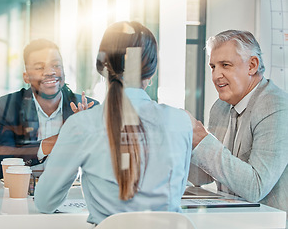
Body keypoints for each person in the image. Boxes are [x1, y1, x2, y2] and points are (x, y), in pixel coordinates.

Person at [34, 21, 192, 225]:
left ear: (102, 68)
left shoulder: (82, 125)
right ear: (151, 73)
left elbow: (45, 202)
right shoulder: (180, 122)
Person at [187, 30, 288, 214]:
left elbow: (256, 187)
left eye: (225, 65)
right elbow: (206, 174)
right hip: (231, 218)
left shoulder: (276, 106)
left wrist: (202, 141)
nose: (216, 75)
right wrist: (180, 146)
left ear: (252, 65)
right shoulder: (220, 107)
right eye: (213, 67)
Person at [0, 39, 99, 179]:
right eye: (40, 67)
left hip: (73, 192)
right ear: (26, 77)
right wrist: (57, 140)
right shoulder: (10, 105)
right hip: (22, 192)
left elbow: (102, 165)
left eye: (56, 65)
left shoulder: (89, 108)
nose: (50, 72)